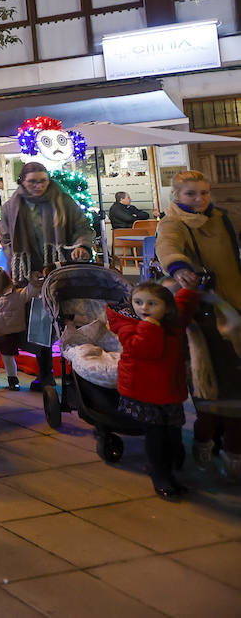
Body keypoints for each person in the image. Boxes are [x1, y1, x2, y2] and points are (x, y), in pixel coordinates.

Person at [155, 170, 241, 478]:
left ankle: (219, 440)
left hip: (235, 304)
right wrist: (178, 267)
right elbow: (167, 246)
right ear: (177, 196)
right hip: (206, 310)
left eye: (204, 192)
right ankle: (213, 442)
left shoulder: (222, 217)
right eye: (191, 194)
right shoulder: (173, 222)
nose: (199, 199)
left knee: (232, 378)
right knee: (217, 379)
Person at [0, 161, 94, 389]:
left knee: (70, 321)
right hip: (32, 274)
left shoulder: (63, 200)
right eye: (32, 181)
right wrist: (19, 263)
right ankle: (45, 374)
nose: (38, 186)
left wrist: (82, 245)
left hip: (62, 268)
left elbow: (82, 226)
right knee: (39, 322)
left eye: (43, 180)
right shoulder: (11, 206)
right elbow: (5, 237)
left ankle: (77, 373)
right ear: (22, 181)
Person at [110, 283, 193, 499]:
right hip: (144, 391)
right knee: (157, 435)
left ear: (167, 306)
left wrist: (191, 287)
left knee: (173, 431)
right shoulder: (128, 325)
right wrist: (150, 325)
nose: (143, 307)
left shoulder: (172, 323)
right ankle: (161, 476)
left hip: (168, 390)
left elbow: (184, 305)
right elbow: (146, 349)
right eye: (138, 302)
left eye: (151, 303)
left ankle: (169, 466)